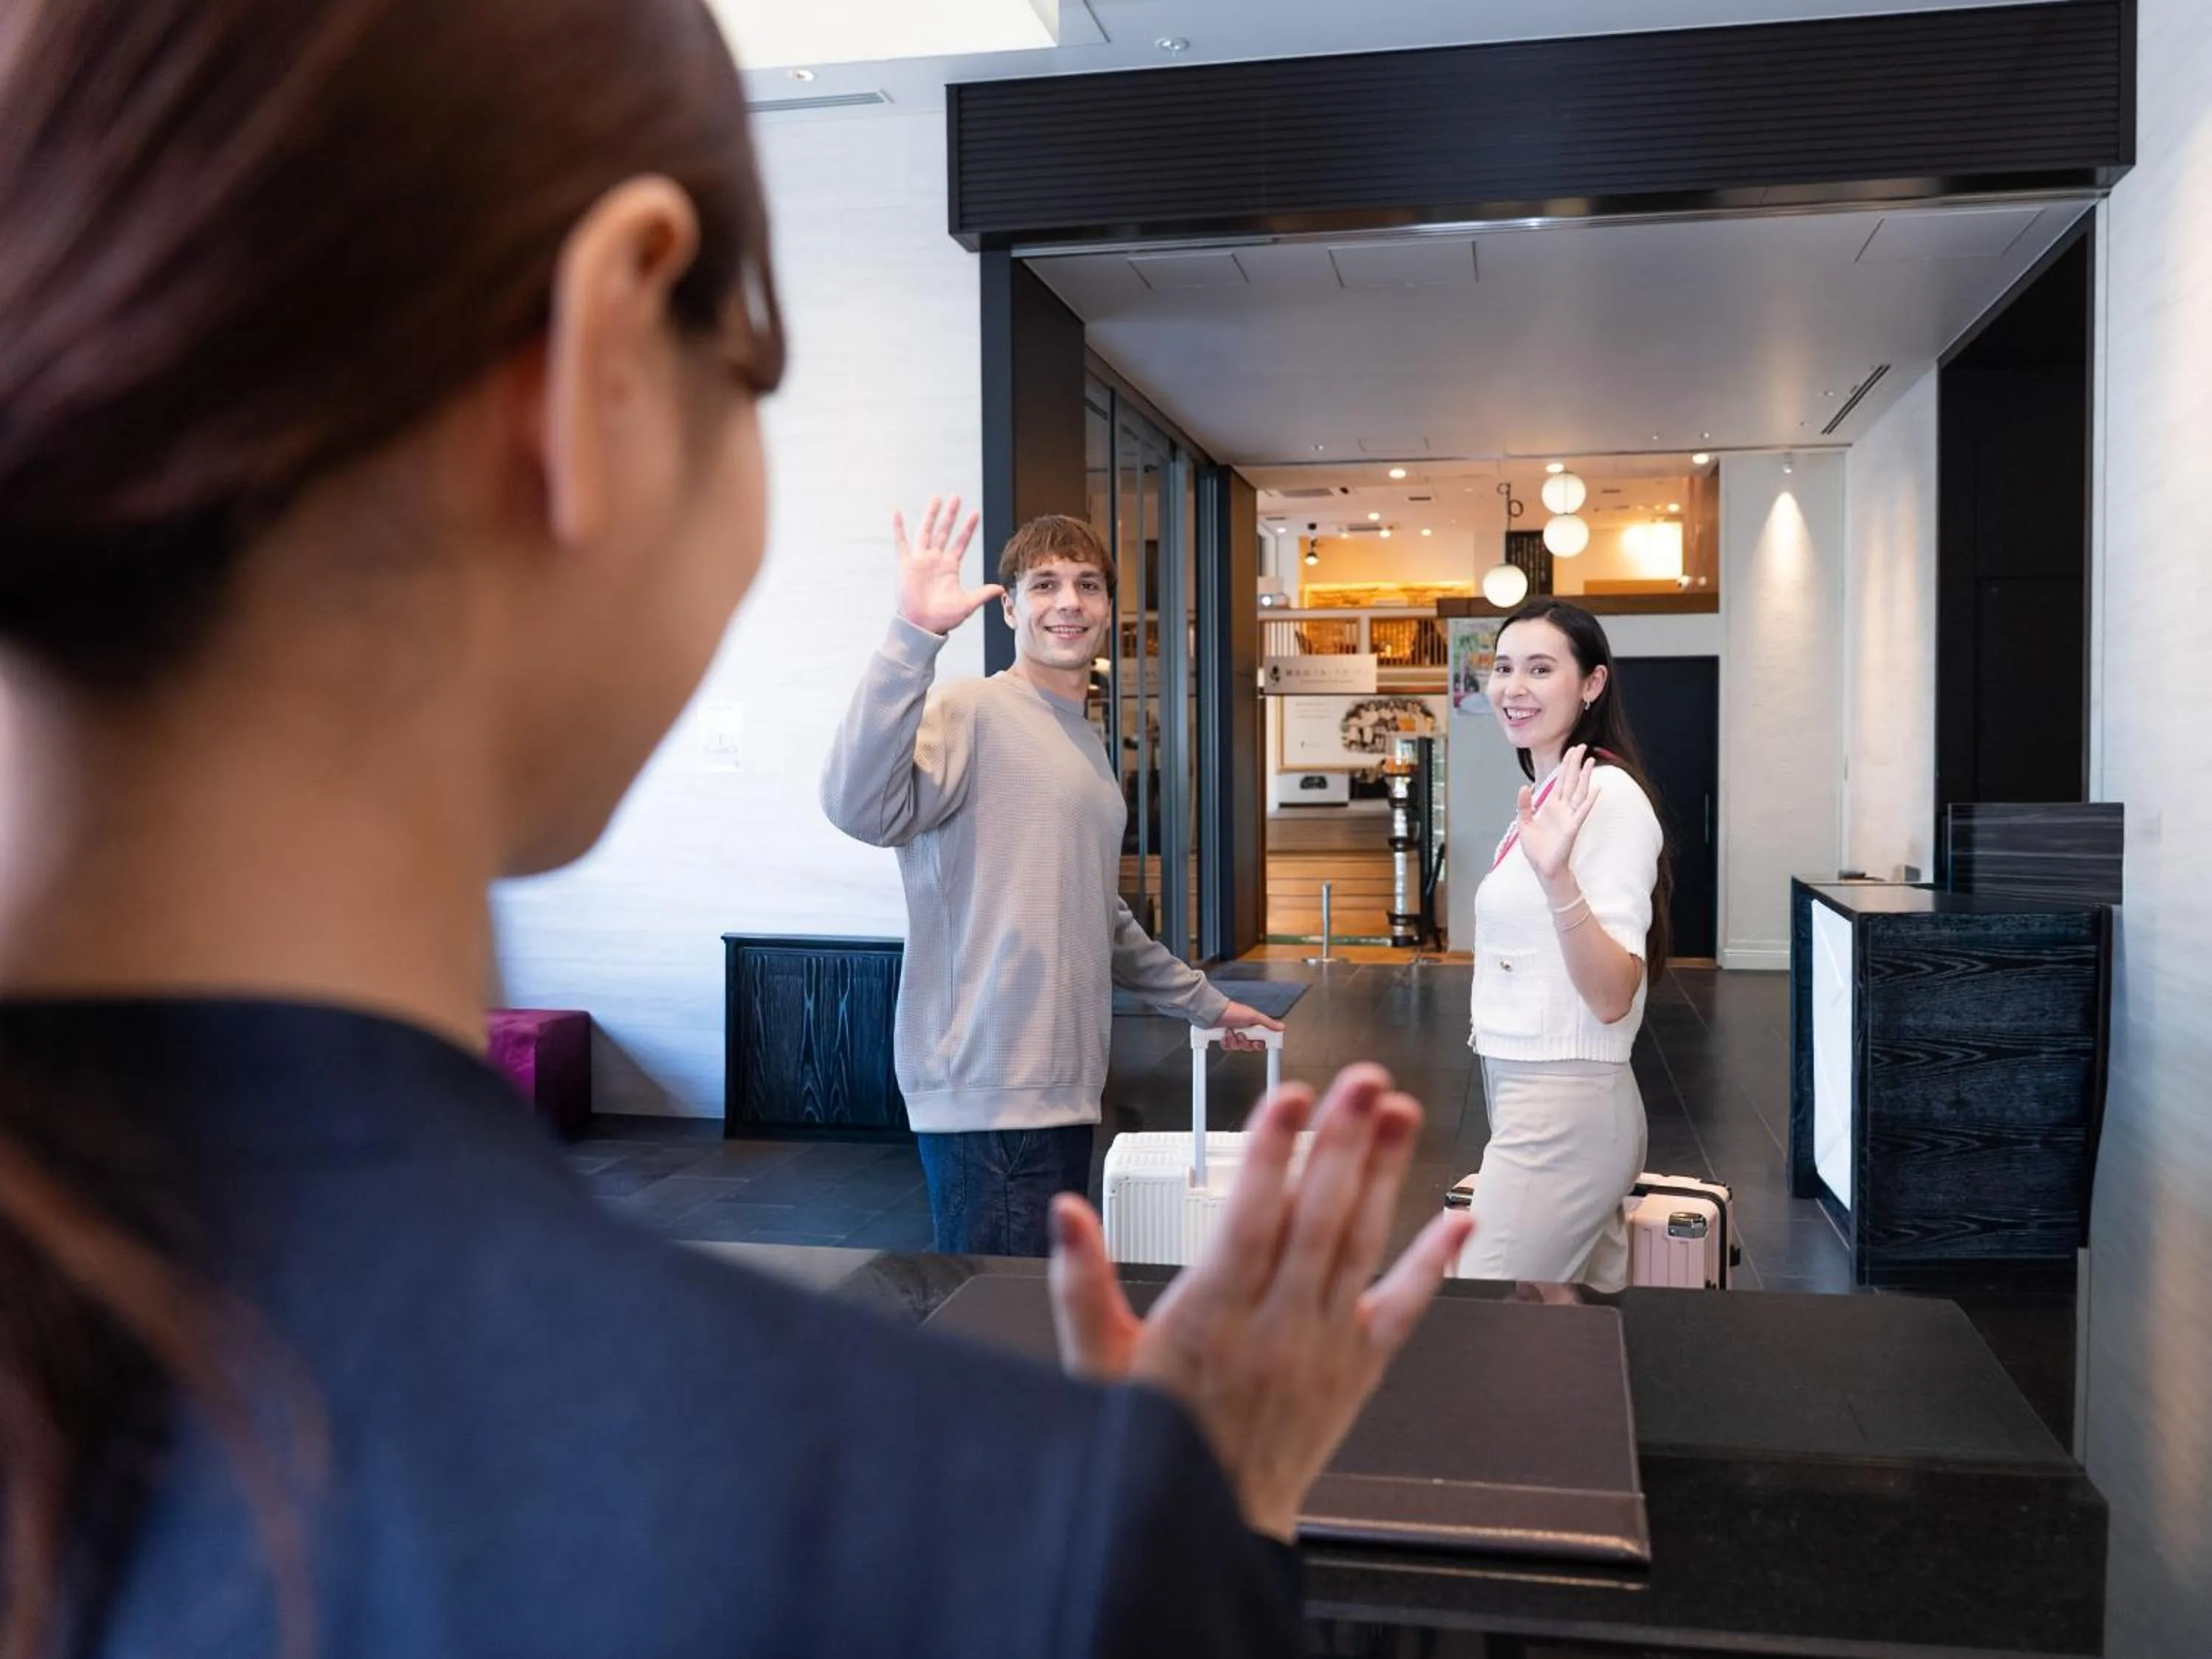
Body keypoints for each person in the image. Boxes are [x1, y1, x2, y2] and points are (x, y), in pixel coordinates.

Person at [0, 3, 1477, 1657]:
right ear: (602, 369)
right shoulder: (1002, 1540)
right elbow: (862, 799)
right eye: (753, 382)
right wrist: (1212, 1514)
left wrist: (1192, 995)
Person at [822, 507, 1285, 1256]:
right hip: (991, 1088)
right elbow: (859, 808)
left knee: (1034, 1330)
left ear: (1108, 609)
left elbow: (1097, 915)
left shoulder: (1081, 741)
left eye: (1088, 585)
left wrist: (1205, 1004)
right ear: (1008, 607)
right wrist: (914, 636)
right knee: (1004, 1339)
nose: (1068, 602)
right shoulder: (972, 708)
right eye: (1044, 585)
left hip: (1064, 1085)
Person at [1458, 599, 1672, 1293]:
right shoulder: (1553, 793)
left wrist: (1557, 880)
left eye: (1541, 669)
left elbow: (1613, 995)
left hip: (1566, 1102)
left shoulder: (1606, 798)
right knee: (1547, 1307)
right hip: (1532, 1090)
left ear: (1591, 685)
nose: (1513, 688)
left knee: (1485, 1308)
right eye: (1504, 667)